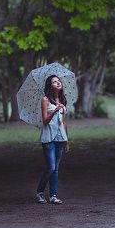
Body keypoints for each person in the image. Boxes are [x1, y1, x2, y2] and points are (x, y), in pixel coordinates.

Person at [36, 74, 70, 205]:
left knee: (56, 169)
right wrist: (55, 111)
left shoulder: (63, 101)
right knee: (51, 167)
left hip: (60, 138)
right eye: (55, 82)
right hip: (48, 138)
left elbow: (64, 123)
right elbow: (45, 121)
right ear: (50, 86)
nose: (58, 83)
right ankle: (39, 192)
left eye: (59, 81)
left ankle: (53, 195)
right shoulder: (45, 100)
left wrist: (67, 140)